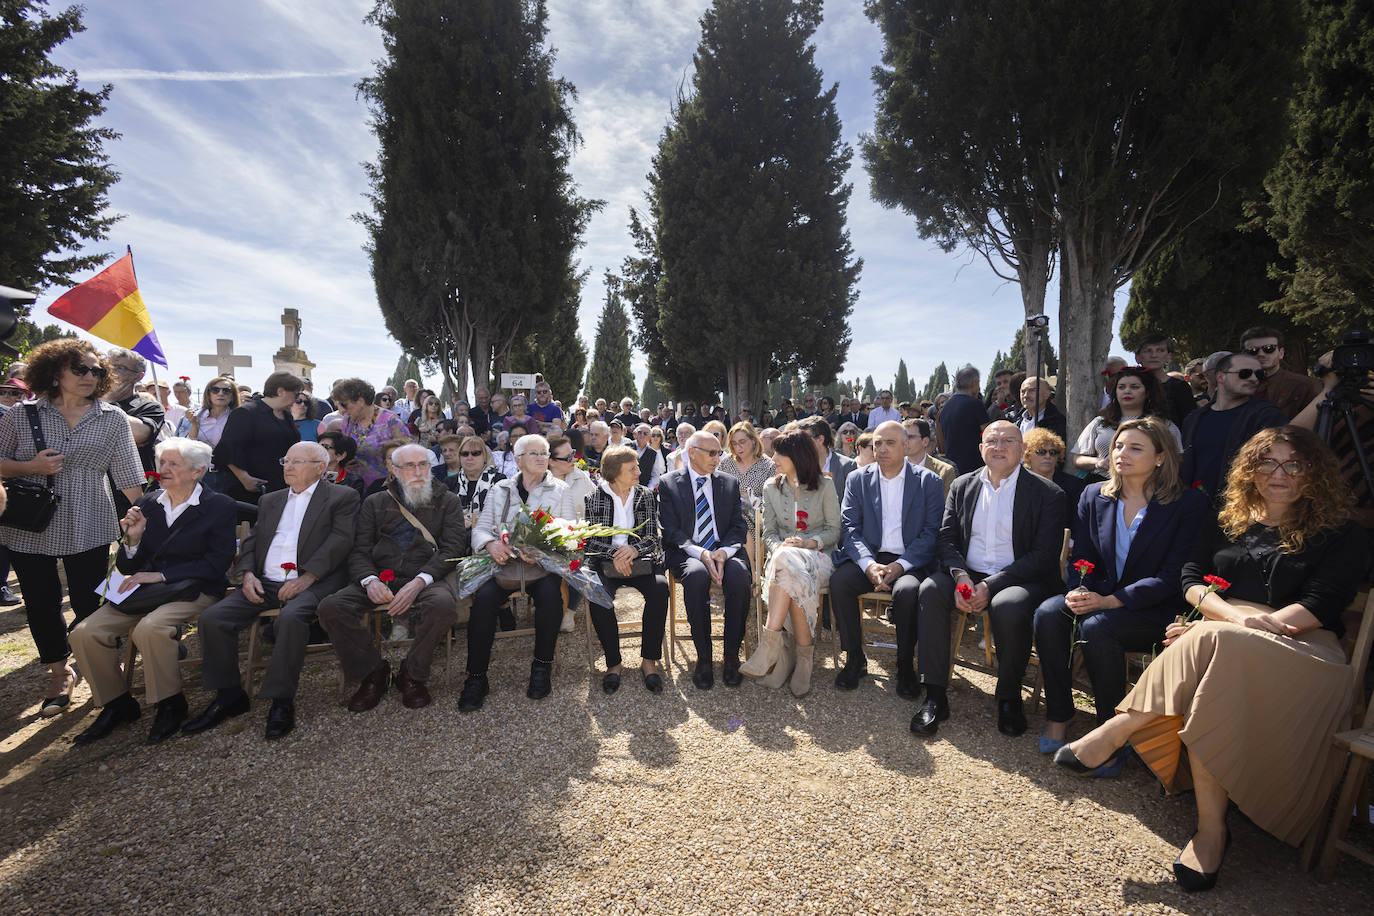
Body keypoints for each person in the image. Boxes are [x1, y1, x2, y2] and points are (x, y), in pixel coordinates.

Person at [1055, 426, 1367, 892]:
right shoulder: (1228, 519)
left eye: (1293, 464)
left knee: (1205, 641)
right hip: (1226, 640)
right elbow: (1191, 579)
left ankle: (1117, 731)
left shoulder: (1341, 533)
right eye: (1267, 462)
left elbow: (1322, 603)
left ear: (1313, 471)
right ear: (1250, 470)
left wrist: (1228, 626)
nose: (1278, 474)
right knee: (1211, 664)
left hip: (1307, 651)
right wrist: (1230, 622)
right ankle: (1210, 830)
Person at [1032, 418, 1208, 752]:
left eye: (1135, 448)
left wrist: (1109, 601)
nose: (1121, 454)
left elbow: (1174, 575)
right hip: (1098, 596)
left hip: (1156, 609)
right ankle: (1059, 714)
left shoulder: (1188, 505)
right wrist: (1081, 587)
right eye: (1118, 446)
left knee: (1098, 626)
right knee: (1048, 613)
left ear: (1160, 457)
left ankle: (1108, 732)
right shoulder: (1093, 495)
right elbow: (1082, 557)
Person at [0, 341, 145, 715]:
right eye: (80, 369)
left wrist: (143, 518)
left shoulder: (112, 417)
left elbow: (128, 475)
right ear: (54, 371)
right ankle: (59, 671)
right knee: (41, 603)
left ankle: (101, 667)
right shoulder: (21, 415)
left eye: (96, 371)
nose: (89, 376)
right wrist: (31, 467)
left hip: (90, 519)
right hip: (29, 522)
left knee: (90, 601)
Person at [186, 442, 359, 739]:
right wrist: (247, 574)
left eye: (296, 462)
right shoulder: (272, 501)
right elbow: (253, 542)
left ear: (320, 467)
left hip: (314, 581)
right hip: (264, 581)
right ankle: (229, 695)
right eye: (285, 460)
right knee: (213, 619)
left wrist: (309, 577)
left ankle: (281, 700)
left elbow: (341, 540)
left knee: (290, 618)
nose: (287, 467)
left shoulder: (341, 496)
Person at [69, 438, 237, 744]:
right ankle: (117, 704)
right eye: (162, 463)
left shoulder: (219, 506)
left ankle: (170, 703)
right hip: (143, 591)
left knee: (150, 629)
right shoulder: (148, 503)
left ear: (198, 471)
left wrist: (159, 575)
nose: (164, 469)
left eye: (174, 464)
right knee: (84, 632)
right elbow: (126, 564)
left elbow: (216, 563)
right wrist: (132, 540)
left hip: (194, 588)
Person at [915, 421, 1066, 738]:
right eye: (992, 441)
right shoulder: (962, 485)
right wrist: (961, 577)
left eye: (1008, 441)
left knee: (1010, 606)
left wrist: (990, 585)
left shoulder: (1048, 494)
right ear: (981, 448)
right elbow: (946, 539)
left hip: (1020, 578)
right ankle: (935, 695)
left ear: (1023, 449)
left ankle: (1009, 697)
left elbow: (1043, 556)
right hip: (967, 572)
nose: (999, 447)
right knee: (929, 589)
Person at [317, 443, 469, 712]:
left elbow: (452, 548)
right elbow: (359, 549)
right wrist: (369, 581)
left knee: (443, 606)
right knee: (331, 607)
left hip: (426, 577)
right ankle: (373, 673)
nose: (418, 471)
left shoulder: (448, 501)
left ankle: (412, 673)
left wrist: (420, 581)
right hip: (381, 576)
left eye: (423, 464)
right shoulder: (374, 502)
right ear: (394, 469)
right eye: (410, 466)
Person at [829, 421, 944, 695]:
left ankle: (905, 666)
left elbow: (931, 533)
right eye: (877, 443)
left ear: (907, 446)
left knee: (907, 593)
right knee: (840, 583)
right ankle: (855, 658)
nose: (881, 448)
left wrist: (900, 565)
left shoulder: (929, 481)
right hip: (870, 555)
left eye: (889, 443)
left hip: (910, 560)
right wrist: (869, 565)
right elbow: (850, 528)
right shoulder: (857, 478)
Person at [461, 434, 574, 710]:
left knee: (550, 597)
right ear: (518, 459)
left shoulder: (560, 489)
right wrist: (490, 544)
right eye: (533, 453)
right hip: (504, 564)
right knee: (484, 600)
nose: (540, 457)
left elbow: (571, 533)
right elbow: (481, 528)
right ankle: (476, 677)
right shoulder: (501, 489)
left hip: (543, 565)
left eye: (544, 453)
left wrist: (541, 548)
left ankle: (541, 667)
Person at [739, 429, 841, 697]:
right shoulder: (771, 487)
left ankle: (772, 647)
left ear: (797, 456)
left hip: (819, 558)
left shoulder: (826, 485)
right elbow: (769, 533)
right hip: (784, 563)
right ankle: (802, 660)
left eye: (779, 453)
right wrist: (780, 547)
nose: (773, 457)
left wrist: (809, 543)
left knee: (786, 567)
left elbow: (834, 530)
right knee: (787, 565)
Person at [658, 430, 752, 689]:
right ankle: (704, 658)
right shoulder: (669, 483)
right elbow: (670, 529)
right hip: (687, 552)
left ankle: (732, 656)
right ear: (692, 453)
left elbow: (737, 526)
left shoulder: (728, 483)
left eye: (719, 453)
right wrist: (701, 553)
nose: (717, 458)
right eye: (711, 453)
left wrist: (724, 552)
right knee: (698, 575)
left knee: (739, 577)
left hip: (725, 550)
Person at [582, 445, 669, 694]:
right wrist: (614, 554)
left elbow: (653, 536)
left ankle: (649, 661)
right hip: (606, 563)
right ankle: (613, 663)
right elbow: (590, 540)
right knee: (597, 594)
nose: (638, 472)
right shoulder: (594, 498)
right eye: (632, 468)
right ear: (614, 471)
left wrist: (632, 551)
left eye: (638, 467)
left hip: (640, 560)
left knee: (660, 590)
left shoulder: (645, 495)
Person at [1180, 352, 1287, 501]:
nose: (1253, 379)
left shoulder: (1268, 416)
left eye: (1259, 374)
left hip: (1241, 508)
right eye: (1244, 373)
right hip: (1195, 509)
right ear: (1220, 377)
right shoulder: (1194, 419)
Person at [1072, 366, 1182, 480]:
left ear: (1147, 392)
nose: (1127, 391)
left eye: (1135, 387)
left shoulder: (1164, 426)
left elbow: (1176, 461)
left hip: (1147, 488)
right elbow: (1078, 459)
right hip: (1101, 486)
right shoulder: (1100, 422)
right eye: (1121, 387)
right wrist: (1098, 462)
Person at [213, 371, 303, 503]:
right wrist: (245, 479)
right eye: (295, 394)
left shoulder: (287, 416)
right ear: (280, 391)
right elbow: (227, 449)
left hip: (281, 486)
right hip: (251, 489)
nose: (296, 400)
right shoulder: (246, 413)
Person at [331, 377, 409, 491]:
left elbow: (408, 454)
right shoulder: (347, 420)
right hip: (353, 487)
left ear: (360, 401)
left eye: (344, 404)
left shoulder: (391, 421)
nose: (342, 410)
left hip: (385, 489)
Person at [102, 348, 165, 484]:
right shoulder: (86, 402)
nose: (111, 372)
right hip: (95, 485)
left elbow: (139, 435)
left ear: (138, 376)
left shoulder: (150, 407)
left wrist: (107, 402)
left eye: (120, 368)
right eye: (108, 366)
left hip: (131, 489)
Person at [1239, 325, 1322, 420]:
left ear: (1281, 353)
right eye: (1252, 350)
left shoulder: (1305, 386)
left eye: (1269, 348)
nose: (1261, 354)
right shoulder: (1232, 386)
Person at [717, 421, 775, 532]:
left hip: (756, 522)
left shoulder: (768, 466)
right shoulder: (726, 462)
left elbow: (773, 500)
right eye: (734, 443)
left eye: (742, 442)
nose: (738, 447)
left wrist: (751, 500)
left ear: (753, 441)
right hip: (727, 518)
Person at [1022, 426, 1085, 524]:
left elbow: (1079, 522)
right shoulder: (1018, 484)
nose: (1048, 456)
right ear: (1028, 454)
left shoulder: (1074, 485)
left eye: (1053, 452)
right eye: (1041, 452)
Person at [1133, 333, 1197, 425]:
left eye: (1160, 350)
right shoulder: (1128, 386)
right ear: (1137, 357)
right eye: (1148, 351)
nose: (1154, 355)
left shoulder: (1179, 387)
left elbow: (1189, 423)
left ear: (1168, 356)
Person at [935, 366, 987, 474]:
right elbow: (988, 434)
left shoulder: (945, 409)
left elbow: (941, 442)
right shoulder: (975, 404)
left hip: (952, 466)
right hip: (974, 467)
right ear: (974, 382)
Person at [799, 415, 855, 505]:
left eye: (804, 439)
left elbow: (851, 504)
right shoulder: (799, 465)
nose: (801, 443)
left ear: (820, 439)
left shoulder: (848, 466)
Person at [902, 418, 956, 498]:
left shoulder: (944, 472)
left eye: (910, 437)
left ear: (925, 442)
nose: (905, 441)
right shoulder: (891, 469)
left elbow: (947, 507)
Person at [1012, 376, 1067, 442]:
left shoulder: (1056, 422)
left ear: (1047, 394)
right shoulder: (1016, 420)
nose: (1026, 395)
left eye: (1032, 390)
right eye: (1023, 392)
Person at [317, 430, 365, 496]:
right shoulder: (309, 474)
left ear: (341, 456)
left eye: (325, 447)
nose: (318, 450)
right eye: (317, 446)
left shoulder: (353, 482)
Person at [632, 423, 666, 487]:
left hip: (644, 490)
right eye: (639, 432)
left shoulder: (653, 454)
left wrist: (649, 488)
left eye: (645, 433)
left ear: (650, 437)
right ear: (635, 434)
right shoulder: (626, 447)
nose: (642, 435)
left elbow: (655, 475)